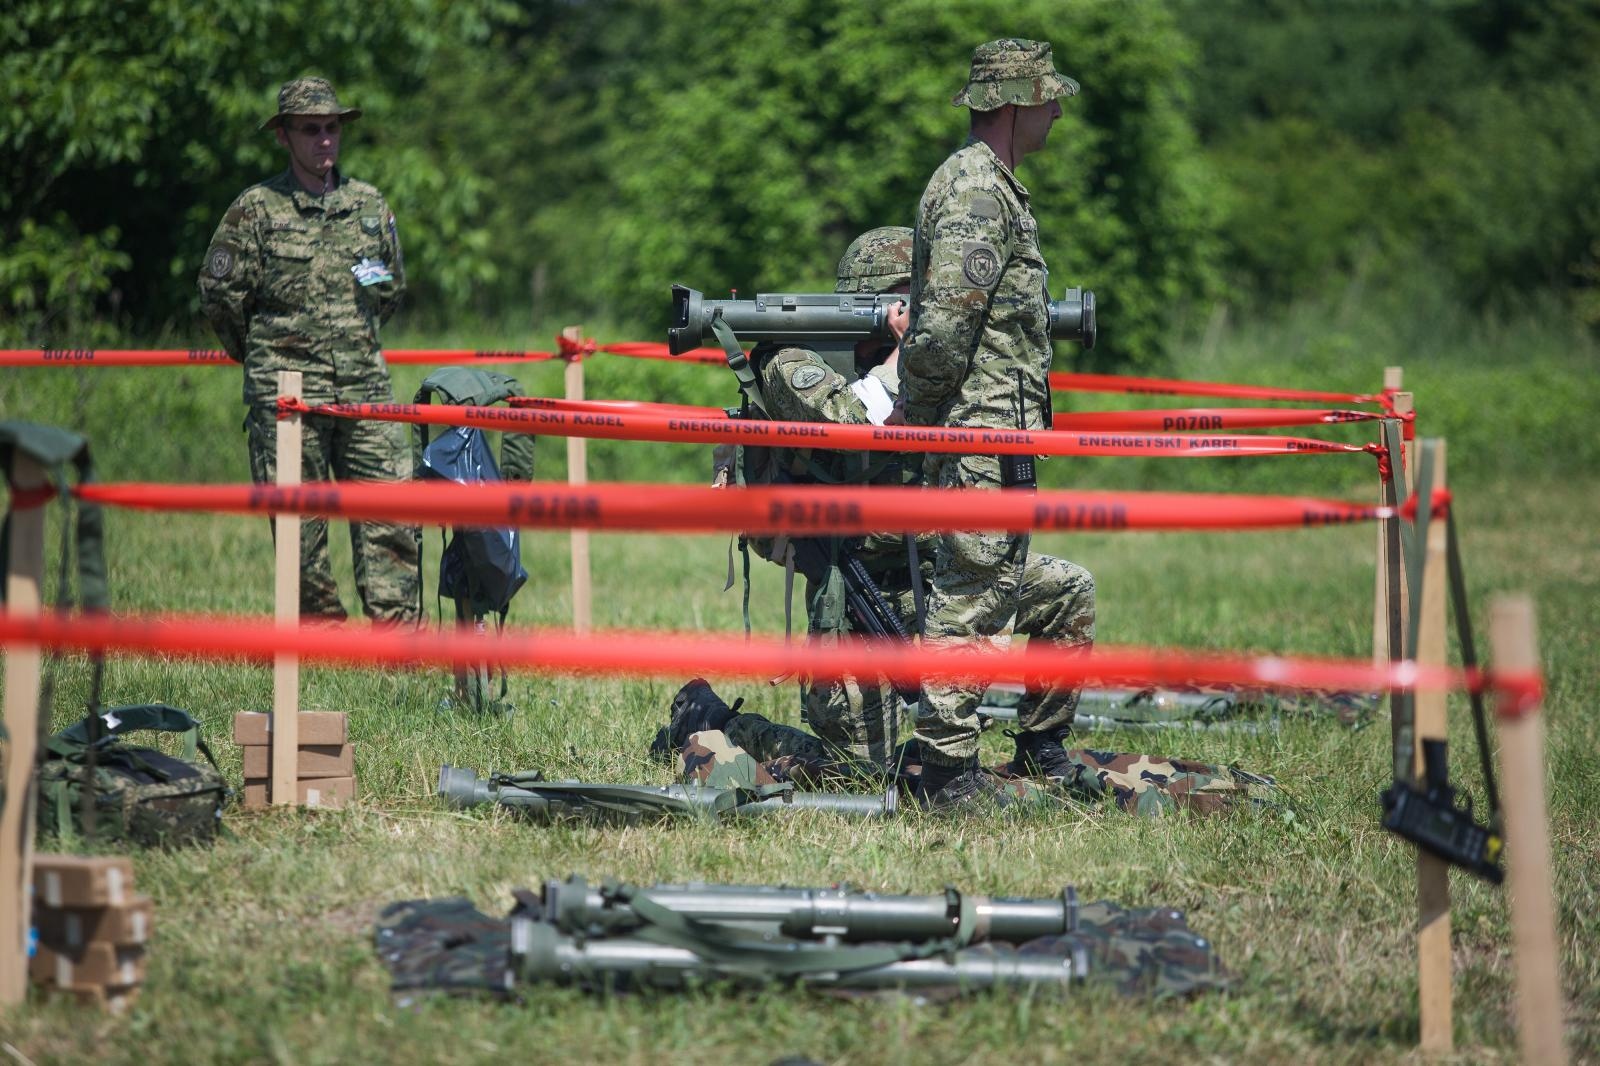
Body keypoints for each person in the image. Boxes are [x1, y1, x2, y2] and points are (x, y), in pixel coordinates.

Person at [898, 39, 1096, 807]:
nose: (1056, 110)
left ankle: (1028, 751)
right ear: (1014, 103)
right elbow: (946, 329)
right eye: (1048, 97)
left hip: (995, 430)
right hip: (977, 433)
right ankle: (943, 777)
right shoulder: (979, 194)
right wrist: (923, 407)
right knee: (970, 598)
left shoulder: (993, 187)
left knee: (998, 584)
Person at [198, 77, 420, 624]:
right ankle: (322, 635)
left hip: (365, 387)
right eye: (310, 129)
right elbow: (220, 295)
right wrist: (261, 357)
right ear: (284, 137)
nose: (324, 139)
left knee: (391, 508)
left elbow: (389, 288)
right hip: (288, 394)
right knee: (300, 523)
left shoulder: (368, 205)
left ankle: (399, 638)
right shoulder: (257, 209)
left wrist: (353, 340)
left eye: (331, 127)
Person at [712, 226, 920, 769]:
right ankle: (715, 722)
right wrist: (901, 365)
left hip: (931, 572)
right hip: (853, 585)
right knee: (853, 772)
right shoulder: (792, 359)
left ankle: (1041, 751)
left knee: (1067, 590)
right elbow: (852, 420)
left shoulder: (929, 363)